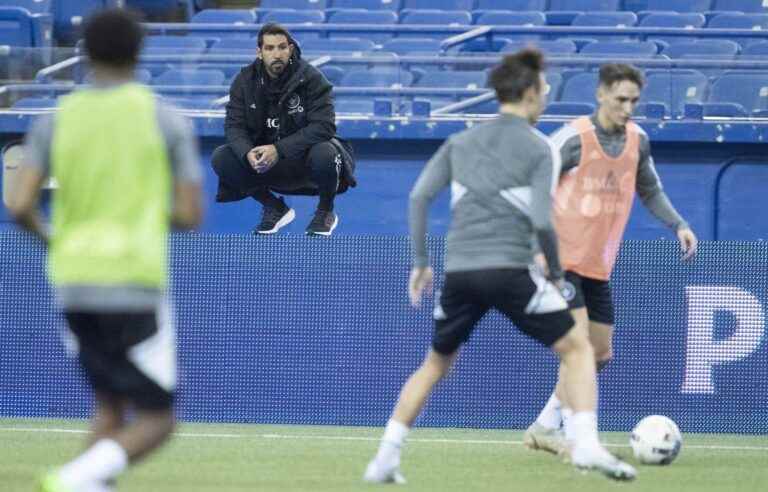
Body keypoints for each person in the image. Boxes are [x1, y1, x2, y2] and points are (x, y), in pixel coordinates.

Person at [363, 49, 636, 485]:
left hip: (460, 272)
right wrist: (557, 273)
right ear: (528, 94)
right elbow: (544, 221)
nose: (545, 99)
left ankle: (385, 458)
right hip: (510, 269)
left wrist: (420, 262)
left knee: (434, 364)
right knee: (578, 349)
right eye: (543, 91)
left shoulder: (461, 141)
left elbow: (418, 198)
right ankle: (585, 445)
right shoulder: (538, 147)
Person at [7, 9, 203, 492]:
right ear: (140, 52)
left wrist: (56, 239)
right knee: (158, 420)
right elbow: (190, 214)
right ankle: (72, 478)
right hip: (133, 280)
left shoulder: (56, 120)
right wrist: (138, 214)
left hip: (72, 280)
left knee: (110, 409)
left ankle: (83, 482)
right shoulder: (166, 119)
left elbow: (18, 204)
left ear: (85, 53)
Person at [523, 63, 698, 457]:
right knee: (580, 348)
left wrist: (679, 225)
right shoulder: (573, 138)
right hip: (560, 260)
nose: (628, 107)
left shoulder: (638, 140)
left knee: (600, 354)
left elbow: (650, 190)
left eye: (634, 100)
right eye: (621, 99)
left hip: (597, 265)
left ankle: (543, 425)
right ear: (601, 94)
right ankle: (576, 436)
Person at [211, 22, 356, 236]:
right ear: (259, 52)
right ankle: (274, 207)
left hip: (306, 162)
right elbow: (234, 126)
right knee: (222, 157)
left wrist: (279, 149)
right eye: (270, 48)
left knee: (327, 151)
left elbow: (324, 126)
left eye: (281, 47)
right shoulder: (244, 81)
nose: (276, 54)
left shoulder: (312, 78)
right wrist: (247, 152)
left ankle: (325, 211)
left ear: (290, 49)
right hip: (265, 165)